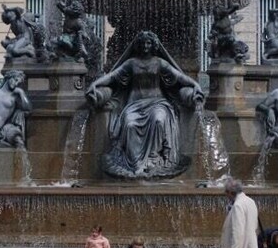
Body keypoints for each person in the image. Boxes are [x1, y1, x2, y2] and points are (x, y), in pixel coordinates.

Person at [86, 30, 203, 179]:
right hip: (134, 105)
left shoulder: (160, 62)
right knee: (129, 124)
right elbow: (112, 76)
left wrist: (195, 85)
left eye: (148, 43)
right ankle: (135, 164)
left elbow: (180, 76)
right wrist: (95, 84)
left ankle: (153, 160)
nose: (145, 46)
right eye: (142, 43)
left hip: (157, 103)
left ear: (153, 45)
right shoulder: (131, 63)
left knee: (159, 120)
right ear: (138, 45)